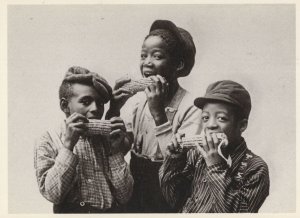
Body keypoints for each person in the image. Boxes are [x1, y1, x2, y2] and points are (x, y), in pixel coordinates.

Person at [106, 20, 202, 213]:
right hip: (135, 189)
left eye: (157, 56)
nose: (147, 62)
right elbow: (120, 147)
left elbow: (181, 164)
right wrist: (114, 109)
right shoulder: (138, 104)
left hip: (168, 193)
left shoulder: (191, 108)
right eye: (143, 55)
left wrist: (158, 113)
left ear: (178, 65)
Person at [159, 80, 270, 213]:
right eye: (205, 118)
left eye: (221, 118)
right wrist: (174, 160)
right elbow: (173, 199)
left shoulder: (256, 168)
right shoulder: (196, 154)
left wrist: (216, 166)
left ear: (242, 125)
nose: (210, 125)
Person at [34, 66, 134, 213]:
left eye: (100, 103)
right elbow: (52, 194)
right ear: (65, 105)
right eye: (86, 101)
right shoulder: (47, 140)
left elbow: (125, 195)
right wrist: (68, 146)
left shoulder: (107, 140)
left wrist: (115, 151)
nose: (95, 109)